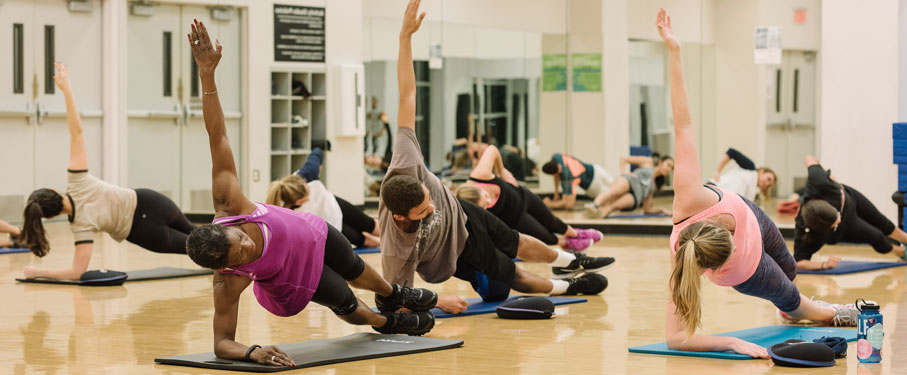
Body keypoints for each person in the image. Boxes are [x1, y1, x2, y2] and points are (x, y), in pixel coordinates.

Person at [183, 19, 437, 367]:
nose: (247, 244)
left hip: (312, 232)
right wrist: (252, 351)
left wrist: (207, 75)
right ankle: (386, 322)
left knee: (355, 265)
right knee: (345, 301)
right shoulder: (226, 283)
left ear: (229, 225)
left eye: (239, 237)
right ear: (226, 267)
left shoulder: (230, 202)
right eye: (241, 253)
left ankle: (392, 295)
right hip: (296, 277)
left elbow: (218, 138)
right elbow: (221, 342)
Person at [379, 0, 612, 312]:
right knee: (511, 276)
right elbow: (392, 303)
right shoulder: (395, 250)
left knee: (518, 241)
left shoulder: (405, 161)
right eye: (424, 209)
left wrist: (404, 38)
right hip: (457, 253)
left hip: (463, 214)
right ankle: (570, 285)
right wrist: (437, 300)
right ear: (400, 217)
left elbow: (407, 94)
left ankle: (571, 261)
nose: (431, 205)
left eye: (428, 197)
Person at [655, 8, 859, 358]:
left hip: (752, 215)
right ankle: (798, 307)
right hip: (753, 272)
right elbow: (677, 339)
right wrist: (733, 343)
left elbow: (683, 124)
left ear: (717, 224)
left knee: (791, 268)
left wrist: (675, 52)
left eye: (730, 242)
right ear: (713, 269)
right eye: (729, 255)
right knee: (796, 301)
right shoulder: (690, 267)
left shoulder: (690, 198)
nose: (737, 245)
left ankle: (792, 302)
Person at [19, 63, 194, 281]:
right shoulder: (77, 180)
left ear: (51, 215)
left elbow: (76, 273)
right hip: (150, 200)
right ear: (54, 190)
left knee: (198, 249)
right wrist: (66, 90)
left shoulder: (81, 226)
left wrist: (37, 272)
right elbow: (77, 132)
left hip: (142, 231)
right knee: (200, 235)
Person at [455, 145, 604, 251]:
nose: (488, 202)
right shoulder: (469, 209)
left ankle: (577, 233)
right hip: (516, 218)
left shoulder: (480, 175)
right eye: (484, 206)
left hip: (522, 195)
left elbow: (492, 150)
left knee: (550, 220)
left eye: (486, 197)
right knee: (543, 236)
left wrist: (502, 171)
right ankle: (566, 243)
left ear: (478, 188)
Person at [793, 155, 907, 270]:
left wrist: (826, 175)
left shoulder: (819, 183)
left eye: (836, 216)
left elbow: (809, 158)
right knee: (877, 237)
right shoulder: (805, 232)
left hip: (850, 198)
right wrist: (824, 265)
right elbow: (799, 263)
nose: (838, 220)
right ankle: (902, 252)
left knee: (883, 223)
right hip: (846, 227)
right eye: (834, 222)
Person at [266, 148, 381, 248]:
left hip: (332, 203)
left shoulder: (308, 174)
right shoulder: (289, 213)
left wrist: (319, 166)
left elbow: (317, 152)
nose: (309, 194)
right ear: (297, 201)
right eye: (306, 196)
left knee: (370, 225)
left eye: (307, 188)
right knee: (364, 240)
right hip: (329, 225)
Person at [583, 155, 674, 218]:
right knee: (613, 192)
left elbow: (647, 209)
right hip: (629, 181)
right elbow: (624, 159)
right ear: (660, 162)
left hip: (635, 196)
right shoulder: (648, 163)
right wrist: (623, 172)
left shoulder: (652, 186)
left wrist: (662, 210)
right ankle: (594, 205)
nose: (668, 169)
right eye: (668, 165)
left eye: (671, 168)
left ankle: (598, 213)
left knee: (611, 206)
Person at [541, 153, 615, 210]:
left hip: (593, 186)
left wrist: (549, 204)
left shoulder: (567, 178)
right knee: (616, 187)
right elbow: (556, 175)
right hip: (596, 170)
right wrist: (556, 193)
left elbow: (569, 204)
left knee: (612, 197)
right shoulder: (556, 157)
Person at [710, 148, 776, 203]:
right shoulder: (750, 167)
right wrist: (718, 172)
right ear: (762, 171)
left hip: (722, 200)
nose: (766, 183)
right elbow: (731, 152)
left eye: (768, 185)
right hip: (716, 189)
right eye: (768, 179)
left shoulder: (752, 193)